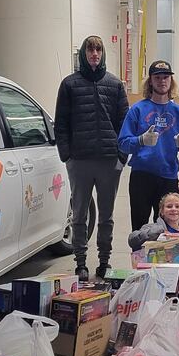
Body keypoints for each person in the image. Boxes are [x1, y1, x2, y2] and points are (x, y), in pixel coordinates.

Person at [54, 35, 129, 281]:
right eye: (90, 50)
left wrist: (121, 156)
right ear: (83, 54)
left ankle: (104, 261)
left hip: (109, 161)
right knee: (79, 215)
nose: (94, 54)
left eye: (98, 49)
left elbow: (124, 123)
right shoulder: (69, 85)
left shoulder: (115, 85)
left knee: (106, 216)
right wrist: (67, 156)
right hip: (80, 161)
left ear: (103, 53)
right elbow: (61, 123)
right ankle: (81, 263)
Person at [118, 60, 179, 231]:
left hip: (168, 176)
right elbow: (123, 144)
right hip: (141, 176)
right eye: (158, 77)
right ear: (151, 81)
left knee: (167, 227)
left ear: (171, 81)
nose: (162, 81)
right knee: (140, 227)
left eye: (166, 77)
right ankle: (138, 258)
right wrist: (140, 140)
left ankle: (164, 258)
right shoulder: (137, 110)